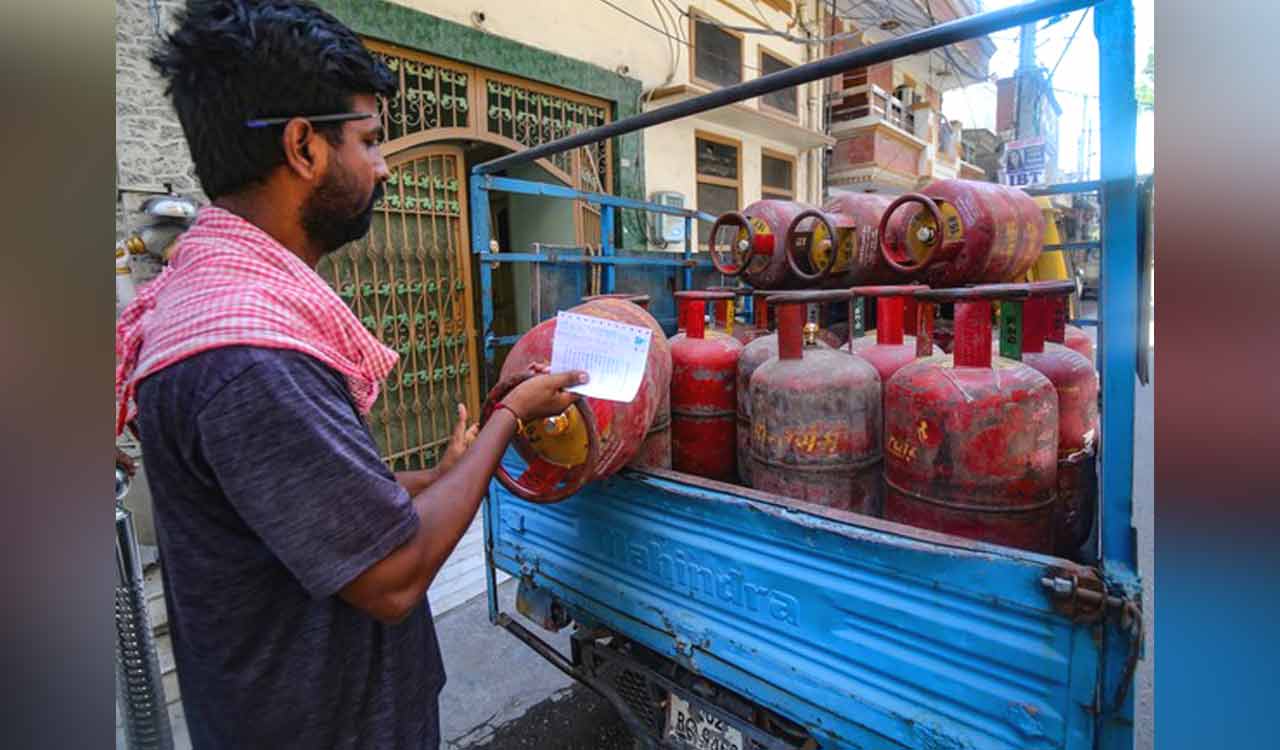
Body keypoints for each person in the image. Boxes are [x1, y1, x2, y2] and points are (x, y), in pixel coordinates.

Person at [112, 2, 586, 747]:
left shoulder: (214, 304)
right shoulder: (248, 357)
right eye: (368, 141)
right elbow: (394, 577)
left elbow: (292, 502)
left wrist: (435, 479)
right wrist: (510, 415)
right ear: (303, 146)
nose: (384, 166)